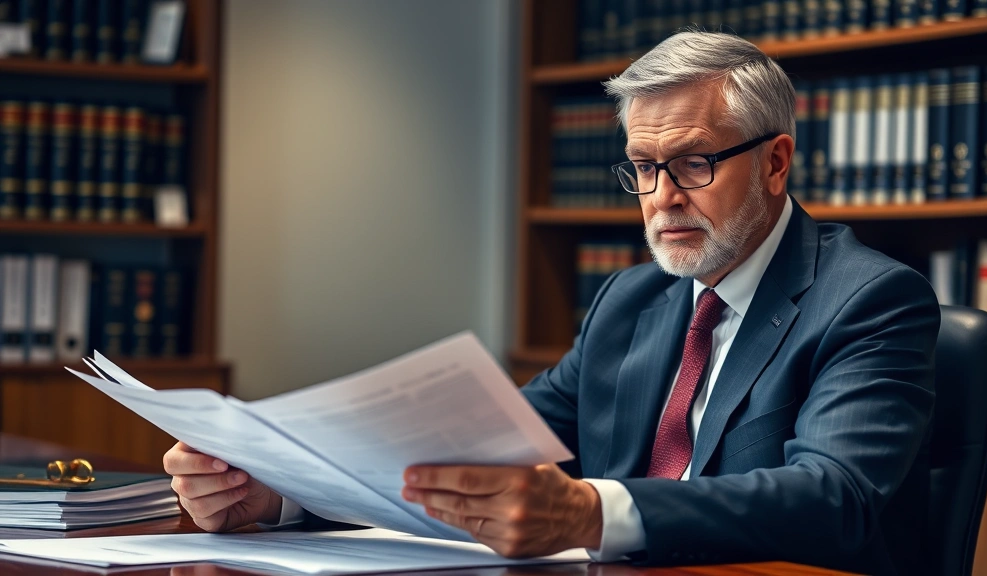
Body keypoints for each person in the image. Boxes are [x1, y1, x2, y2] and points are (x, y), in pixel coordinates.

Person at [163, 31, 938, 576]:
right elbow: (482, 449)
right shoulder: (633, 300)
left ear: (775, 164)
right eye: (643, 167)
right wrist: (280, 496)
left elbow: (834, 497)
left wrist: (590, 516)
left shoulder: (871, 300)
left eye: (694, 163)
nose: (662, 198)